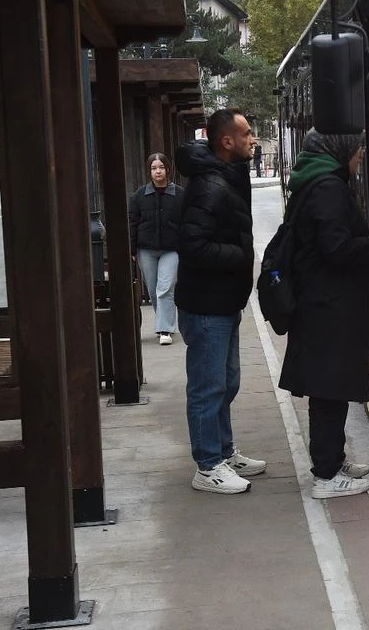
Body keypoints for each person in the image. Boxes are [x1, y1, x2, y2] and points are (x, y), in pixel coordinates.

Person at [278, 130, 369, 500]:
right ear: (340, 150)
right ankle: (326, 474)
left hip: (321, 301)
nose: (362, 154)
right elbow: (336, 248)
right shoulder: (328, 188)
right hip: (328, 305)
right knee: (328, 388)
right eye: (357, 147)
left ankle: (332, 460)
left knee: (328, 386)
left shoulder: (313, 181)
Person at [175, 109, 265, 495]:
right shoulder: (210, 186)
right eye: (246, 134)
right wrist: (241, 254)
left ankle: (223, 451)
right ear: (226, 142)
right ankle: (208, 465)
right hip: (206, 305)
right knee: (208, 386)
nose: (252, 140)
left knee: (226, 382)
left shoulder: (228, 175)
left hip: (223, 301)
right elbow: (193, 246)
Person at [128, 153, 182, 346]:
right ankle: (166, 322)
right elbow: (132, 223)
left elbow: (186, 223)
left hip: (172, 249)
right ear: (149, 171)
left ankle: (164, 329)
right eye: (153, 168)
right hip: (146, 249)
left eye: (161, 167)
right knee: (153, 289)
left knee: (165, 287)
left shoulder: (179, 195)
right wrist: (132, 249)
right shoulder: (139, 196)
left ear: (168, 169)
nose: (158, 171)